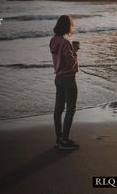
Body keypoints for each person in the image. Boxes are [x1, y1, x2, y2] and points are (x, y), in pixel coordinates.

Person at [49, 15, 80, 150]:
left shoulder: (53, 40)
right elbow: (70, 63)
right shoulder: (66, 42)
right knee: (70, 109)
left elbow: (60, 58)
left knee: (58, 109)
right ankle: (65, 140)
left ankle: (58, 138)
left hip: (58, 78)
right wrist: (76, 51)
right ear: (67, 26)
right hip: (68, 78)